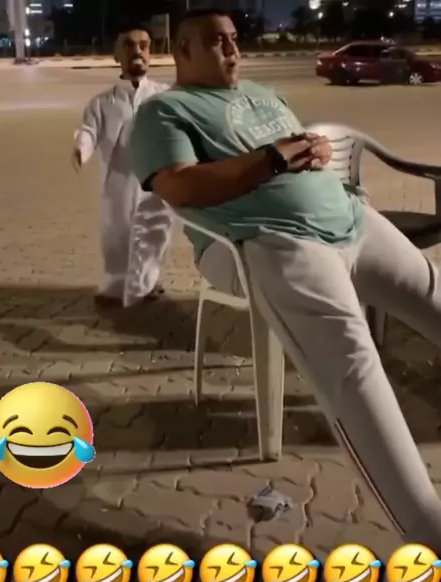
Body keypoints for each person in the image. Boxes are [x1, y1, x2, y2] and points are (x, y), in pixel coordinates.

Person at [129, 8, 441, 549]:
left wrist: (315, 149)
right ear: (182, 50)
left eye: (234, 39)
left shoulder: (263, 93)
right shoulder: (164, 112)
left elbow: (298, 148)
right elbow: (180, 186)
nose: (232, 50)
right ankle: (428, 530)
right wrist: (273, 159)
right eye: (216, 41)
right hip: (271, 239)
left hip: (352, 219)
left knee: (436, 295)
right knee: (353, 363)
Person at [72, 22, 173, 307]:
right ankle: (115, 286)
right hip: (117, 181)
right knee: (117, 233)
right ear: (117, 54)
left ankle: (149, 281)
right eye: (128, 45)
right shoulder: (102, 102)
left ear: (151, 53)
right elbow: (89, 130)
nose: (137, 51)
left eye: (143, 45)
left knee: (155, 232)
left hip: (156, 180)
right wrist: (81, 148)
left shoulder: (166, 96)